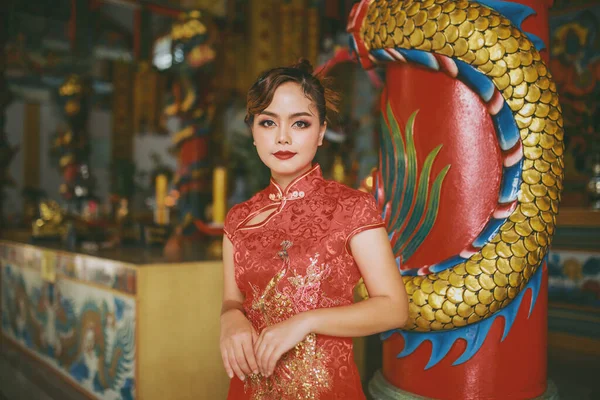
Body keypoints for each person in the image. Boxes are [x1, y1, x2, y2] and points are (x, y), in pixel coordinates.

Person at [220, 59, 408, 400]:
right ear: (253, 132)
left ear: (321, 132)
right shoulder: (238, 219)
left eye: (300, 123)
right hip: (248, 388)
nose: (282, 137)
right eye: (268, 122)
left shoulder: (352, 208)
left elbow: (394, 308)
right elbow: (232, 300)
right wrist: (230, 320)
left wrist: (306, 322)